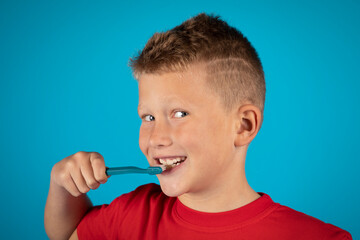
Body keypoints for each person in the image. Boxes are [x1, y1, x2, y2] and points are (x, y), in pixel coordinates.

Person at [44, 13, 352, 240]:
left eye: (179, 114)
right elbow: (69, 233)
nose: (156, 138)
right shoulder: (133, 214)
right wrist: (63, 186)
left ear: (243, 125)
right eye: (148, 117)